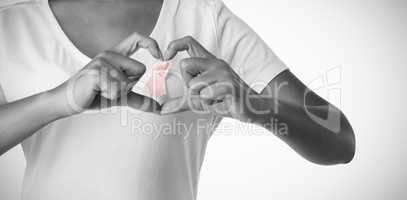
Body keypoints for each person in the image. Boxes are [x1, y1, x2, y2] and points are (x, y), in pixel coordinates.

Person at [0, 0, 355, 199]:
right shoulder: (10, 27)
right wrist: (59, 100)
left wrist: (256, 105)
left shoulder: (204, 19)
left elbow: (340, 141)